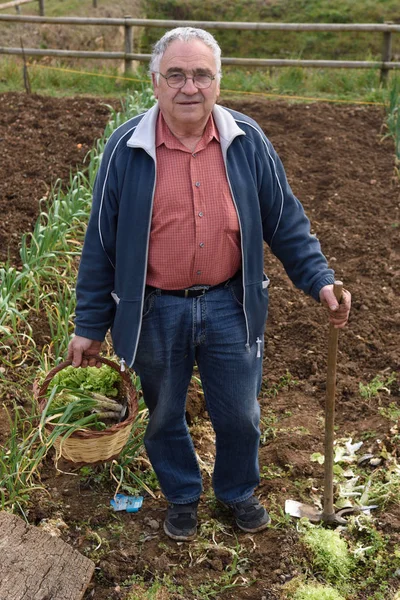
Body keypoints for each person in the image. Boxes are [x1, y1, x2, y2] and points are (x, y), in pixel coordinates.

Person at [67, 27, 351, 542]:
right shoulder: (125, 148)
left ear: (218, 82)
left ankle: (238, 490)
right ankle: (181, 496)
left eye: (201, 74)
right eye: (176, 74)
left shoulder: (247, 140)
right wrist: (89, 325)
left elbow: (284, 218)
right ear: (155, 82)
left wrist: (320, 280)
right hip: (155, 308)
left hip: (230, 303)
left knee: (241, 412)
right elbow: (101, 244)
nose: (189, 86)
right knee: (165, 414)